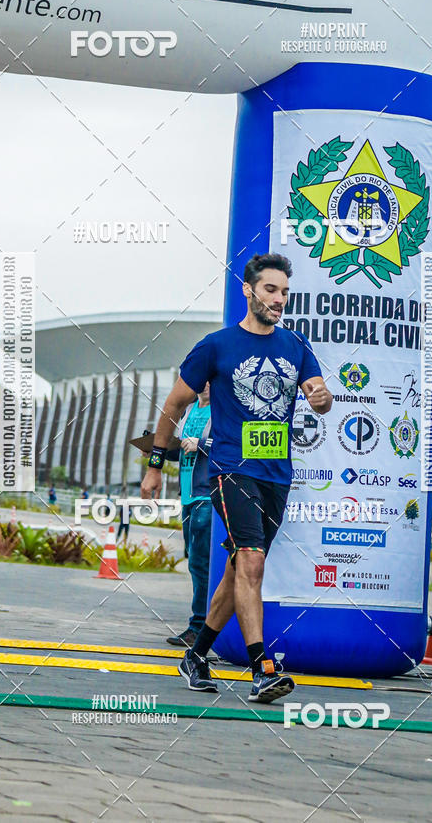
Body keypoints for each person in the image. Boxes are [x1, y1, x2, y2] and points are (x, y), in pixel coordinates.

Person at [142, 253, 332, 703]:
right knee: (251, 562)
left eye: (285, 292)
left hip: (277, 476)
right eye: (270, 290)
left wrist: (322, 399)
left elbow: (318, 400)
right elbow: (174, 404)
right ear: (248, 290)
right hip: (231, 470)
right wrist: (155, 463)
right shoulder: (217, 346)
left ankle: (196, 654)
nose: (279, 299)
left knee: (238, 567)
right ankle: (262, 669)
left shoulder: (296, 346)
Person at [163, 384, 212, 649]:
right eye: (201, 379)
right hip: (188, 496)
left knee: (201, 563)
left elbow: (233, 444)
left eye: (209, 379)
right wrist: (156, 448)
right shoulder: (190, 410)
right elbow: (181, 448)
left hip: (207, 496)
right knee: (193, 560)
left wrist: (202, 443)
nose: (204, 384)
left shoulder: (222, 410)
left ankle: (199, 627)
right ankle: (200, 625)